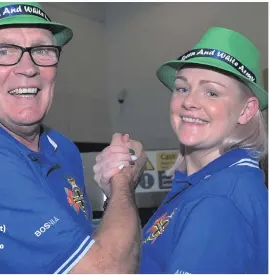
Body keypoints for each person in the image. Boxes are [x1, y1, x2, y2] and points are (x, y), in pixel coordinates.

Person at [0, 2, 147, 273]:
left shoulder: (61, 148)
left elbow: (79, 241)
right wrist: (123, 184)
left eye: (42, 50)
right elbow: (107, 270)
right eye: (3, 51)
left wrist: (110, 196)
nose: (28, 68)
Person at [94, 27, 268, 273]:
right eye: (182, 88)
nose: (189, 102)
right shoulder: (205, 183)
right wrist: (119, 190)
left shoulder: (218, 202)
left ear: (246, 111)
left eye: (212, 92)